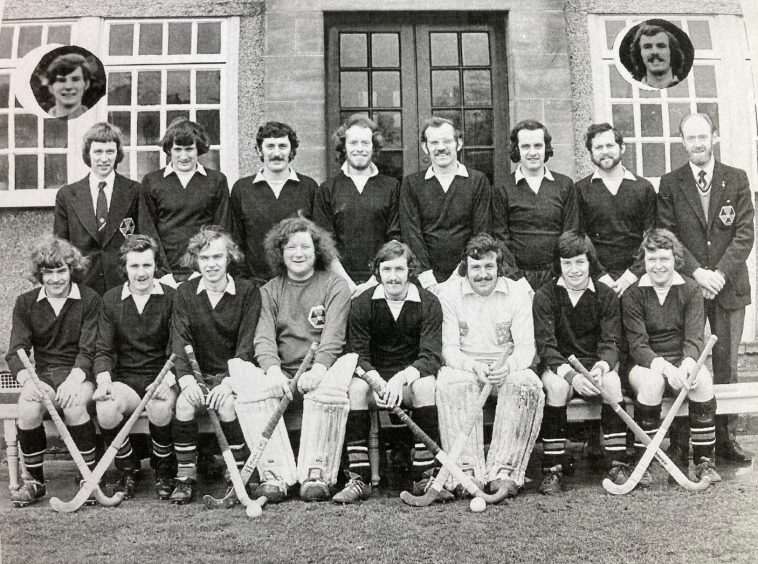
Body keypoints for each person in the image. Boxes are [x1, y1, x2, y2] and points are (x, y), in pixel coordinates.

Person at [657, 112, 754, 464]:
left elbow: (745, 234)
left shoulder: (737, 178)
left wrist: (719, 275)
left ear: (714, 136)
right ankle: (685, 441)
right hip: (689, 289)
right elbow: (668, 236)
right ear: (681, 141)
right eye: (690, 138)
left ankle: (726, 439)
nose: (697, 144)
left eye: (703, 136)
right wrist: (697, 273)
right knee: (688, 361)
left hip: (728, 288)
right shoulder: (670, 183)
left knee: (727, 366)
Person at [337, 240, 448, 503]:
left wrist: (401, 378)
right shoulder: (363, 303)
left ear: (411, 270)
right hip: (374, 378)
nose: (393, 277)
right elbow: (357, 354)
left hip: (410, 379)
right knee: (356, 388)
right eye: (386, 270)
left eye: (400, 269)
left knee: (425, 385)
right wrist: (376, 380)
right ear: (377, 272)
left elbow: (431, 355)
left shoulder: (429, 302)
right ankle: (358, 477)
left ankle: (425, 476)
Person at [251, 217, 352, 502]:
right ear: (280, 253)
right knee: (256, 389)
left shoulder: (335, 285)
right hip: (284, 373)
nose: (298, 253)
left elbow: (333, 337)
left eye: (305, 247)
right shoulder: (269, 290)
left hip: (322, 370)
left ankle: (317, 474)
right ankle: (276, 476)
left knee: (327, 390)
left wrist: (318, 369)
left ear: (316, 250)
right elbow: (264, 339)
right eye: (291, 247)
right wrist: (273, 372)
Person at [435, 234, 544, 499]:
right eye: (476, 267)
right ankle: (466, 472)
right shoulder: (449, 293)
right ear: (465, 267)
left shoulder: (517, 292)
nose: (483, 274)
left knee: (526, 384)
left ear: (499, 266)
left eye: (489, 267)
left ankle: (505, 472)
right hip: (466, 367)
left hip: (505, 368)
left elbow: (526, 348)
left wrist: (508, 367)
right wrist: (473, 366)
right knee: (451, 383)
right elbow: (448, 349)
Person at [169, 226, 261, 504]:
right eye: (205, 258)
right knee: (184, 404)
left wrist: (229, 382)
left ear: (229, 258)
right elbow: (179, 340)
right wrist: (186, 380)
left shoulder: (248, 291)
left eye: (217, 257)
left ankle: (240, 473)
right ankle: (185, 477)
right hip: (196, 375)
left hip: (233, 375)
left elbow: (247, 344)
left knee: (227, 405)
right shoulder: (184, 292)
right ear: (196, 260)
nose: (211, 264)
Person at [6, 236, 101, 507]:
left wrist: (74, 380)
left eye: (62, 271)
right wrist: (28, 381)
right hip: (44, 374)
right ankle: (34, 482)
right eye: (49, 273)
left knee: (73, 404)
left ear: (72, 270)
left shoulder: (89, 299)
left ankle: (88, 478)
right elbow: (16, 351)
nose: (56, 279)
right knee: (27, 404)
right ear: (40, 275)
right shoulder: (25, 303)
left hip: (79, 373)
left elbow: (89, 349)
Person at [622, 229, 721, 487]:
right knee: (653, 383)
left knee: (702, 380)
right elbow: (638, 345)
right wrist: (667, 370)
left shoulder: (689, 289)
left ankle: (703, 462)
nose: (658, 266)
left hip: (681, 361)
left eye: (664, 259)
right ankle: (644, 461)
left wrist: (688, 365)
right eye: (651, 259)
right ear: (644, 260)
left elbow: (694, 338)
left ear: (675, 259)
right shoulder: (633, 293)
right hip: (645, 363)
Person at [533, 231, 628, 493]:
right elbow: (546, 346)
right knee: (557, 388)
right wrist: (572, 377)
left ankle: (617, 464)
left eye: (580, 262)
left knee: (612, 382)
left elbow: (611, 342)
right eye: (567, 263)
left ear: (590, 262)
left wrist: (598, 370)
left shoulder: (606, 294)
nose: (574, 270)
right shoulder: (545, 295)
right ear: (558, 264)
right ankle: (553, 469)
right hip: (559, 367)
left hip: (594, 366)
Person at [93, 235, 177, 500]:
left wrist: (168, 379)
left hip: (161, 376)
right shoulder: (110, 299)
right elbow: (103, 349)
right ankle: (128, 469)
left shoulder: (172, 297)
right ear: (124, 269)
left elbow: (179, 347)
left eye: (147, 265)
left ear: (156, 267)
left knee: (160, 406)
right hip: (126, 380)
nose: (141, 273)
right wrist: (104, 380)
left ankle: (164, 469)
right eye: (134, 266)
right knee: (105, 408)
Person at [54, 122, 155, 295]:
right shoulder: (67, 195)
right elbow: (60, 245)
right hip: (83, 286)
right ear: (88, 154)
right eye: (98, 152)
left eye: (110, 152)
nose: (104, 159)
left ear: (118, 154)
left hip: (124, 286)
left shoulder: (134, 191)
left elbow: (146, 237)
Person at [399, 117, 492, 295]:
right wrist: (429, 282)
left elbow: (482, 233)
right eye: (434, 142)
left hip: (468, 277)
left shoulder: (478, 181)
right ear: (425, 147)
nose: (441, 147)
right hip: (424, 281)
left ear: (459, 144)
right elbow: (412, 235)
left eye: (447, 141)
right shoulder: (412, 184)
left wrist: (460, 275)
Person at [314, 114, 401, 298]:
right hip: (338, 283)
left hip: (381, 283)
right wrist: (348, 283)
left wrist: (373, 282)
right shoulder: (327, 189)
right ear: (344, 146)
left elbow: (395, 238)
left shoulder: (391, 186)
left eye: (365, 143)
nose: (359, 149)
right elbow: (324, 244)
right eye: (353, 143)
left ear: (374, 146)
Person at [492, 119, 579, 292]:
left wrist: (561, 275)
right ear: (516, 149)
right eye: (525, 147)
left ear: (546, 148)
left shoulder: (565, 185)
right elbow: (500, 238)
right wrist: (516, 279)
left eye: (538, 146)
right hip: (517, 280)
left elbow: (570, 234)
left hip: (557, 277)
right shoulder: (502, 187)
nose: (532, 152)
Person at [142, 118, 230, 286]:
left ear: (199, 150)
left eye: (189, 149)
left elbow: (221, 228)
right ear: (169, 150)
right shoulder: (152, 181)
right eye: (177, 149)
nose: (183, 156)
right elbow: (148, 229)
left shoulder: (216, 180)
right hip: (164, 275)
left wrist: (203, 270)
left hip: (204, 273)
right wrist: (162, 273)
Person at [230, 121, 318, 285]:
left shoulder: (309, 187)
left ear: (291, 151)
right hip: (255, 285)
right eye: (270, 146)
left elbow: (317, 241)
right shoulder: (242, 189)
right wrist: (242, 282)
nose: (276, 153)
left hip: (299, 283)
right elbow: (236, 241)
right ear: (259, 150)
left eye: (282, 146)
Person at [575, 123, 656, 297]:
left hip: (637, 278)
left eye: (610, 145)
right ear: (590, 153)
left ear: (622, 148)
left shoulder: (643, 188)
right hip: (596, 279)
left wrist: (631, 276)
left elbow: (653, 236)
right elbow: (579, 237)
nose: (604, 151)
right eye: (598, 147)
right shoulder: (581, 190)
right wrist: (601, 276)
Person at [629, 22, 684, 89]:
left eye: (661, 46)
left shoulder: (687, 88)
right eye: (647, 47)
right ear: (639, 54)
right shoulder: (633, 91)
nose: (654, 52)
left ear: (672, 52)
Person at [42, 53, 91, 119]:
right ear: (51, 87)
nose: (68, 86)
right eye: (61, 80)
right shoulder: (40, 122)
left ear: (86, 84)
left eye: (75, 79)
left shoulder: (98, 120)